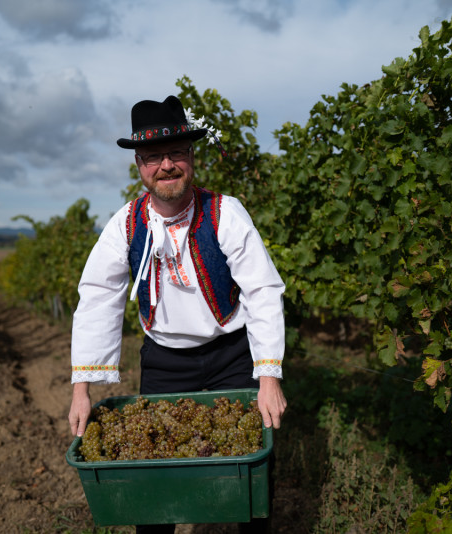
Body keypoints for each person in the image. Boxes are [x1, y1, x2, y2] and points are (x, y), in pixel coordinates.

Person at [68, 95, 287, 533]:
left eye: (176, 153)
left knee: (250, 478)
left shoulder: (225, 213)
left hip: (231, 356)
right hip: (165, 361)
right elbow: (98, 298)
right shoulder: (124, 227)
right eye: (153, 157)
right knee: (153, 483)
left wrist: (269, 378)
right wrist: (81, 389)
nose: (166, 165)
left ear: (191, 156)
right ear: (139, 165)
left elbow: (263, 289)